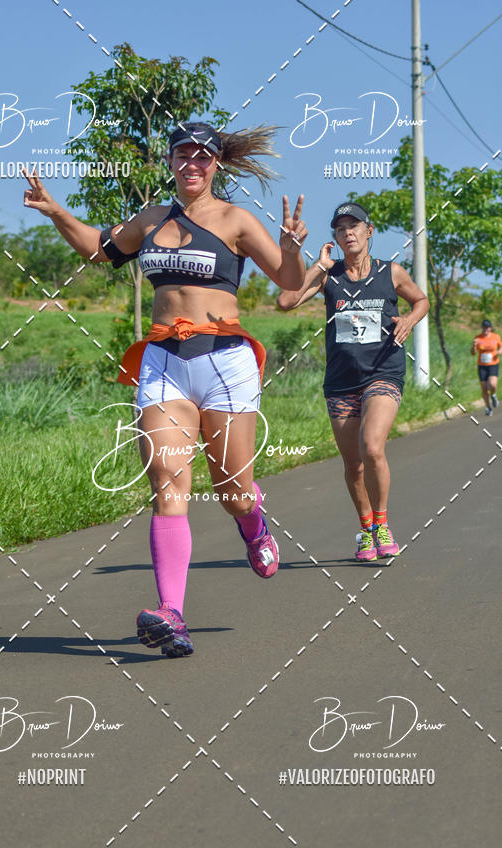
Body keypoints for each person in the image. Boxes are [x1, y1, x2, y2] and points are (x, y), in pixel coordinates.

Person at [23, 121, 308, 657]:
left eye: (204, 155)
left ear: (217, 163)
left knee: (233, 490)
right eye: (184, 154)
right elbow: (101, 250)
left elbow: (289, 286)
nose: (193, 164)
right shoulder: (152, 219)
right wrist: (57, 209)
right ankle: (171, 614)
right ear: (171, 161)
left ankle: (254, 525)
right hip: (162, 362)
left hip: (224, 361)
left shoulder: (236, 220)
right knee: (166, 479)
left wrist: (291, 248)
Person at [278, 201, 429, 562]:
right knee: (353, 465)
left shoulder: (390, 272)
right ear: (335, 238)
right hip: (341, 382)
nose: (348, 232)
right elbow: (286, 301)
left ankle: (382, 523)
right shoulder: (330, 277)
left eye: (354, 226)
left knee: (372, 447)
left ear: (369, 231)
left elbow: (421, 300)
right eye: (340, 228)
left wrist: (409, 319)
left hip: (383, 373)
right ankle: (365, 531)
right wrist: (318, 266)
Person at [471, 319, 501, 416]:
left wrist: (498, 352)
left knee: (492, 385)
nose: (485, 329)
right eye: (484, 327)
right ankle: (488, 407)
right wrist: (474, 346)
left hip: (493, 364)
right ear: (482, 328)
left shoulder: (495, 337)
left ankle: (493, 395)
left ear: (490, 328)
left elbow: (501, 347)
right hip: (482, 366)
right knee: (484, 388)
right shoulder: (478, 338)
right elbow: (472, 353)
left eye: (487, 327)